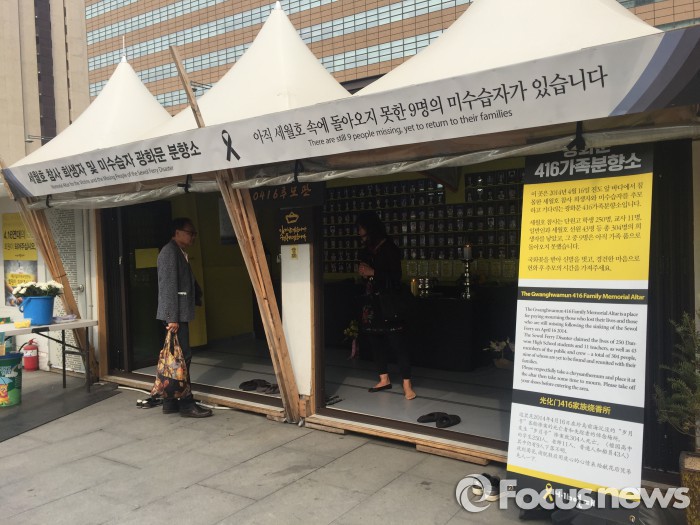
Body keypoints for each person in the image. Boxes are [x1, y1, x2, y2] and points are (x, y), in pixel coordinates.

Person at [356, 211, 416, 400]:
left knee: (398, 343)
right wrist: (364, 273)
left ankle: (407, 383)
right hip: (372, 302)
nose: (359, 232)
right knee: (375, 340)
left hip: (389, 302)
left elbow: (396, 278)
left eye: (361, 228)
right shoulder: (366, 250)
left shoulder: (389, 248)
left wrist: (373, 272)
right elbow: (366, 275)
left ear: (370, 228)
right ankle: (384, 378)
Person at [156, 217, 212, 418]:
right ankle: (187, 403)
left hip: (177, 314)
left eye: (194, 233)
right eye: (190, 232)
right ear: (177, 232)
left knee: (175, 359)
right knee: (182, 359)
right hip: (175, 316)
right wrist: (172, 318)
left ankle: (170, 402)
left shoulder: (178, 252)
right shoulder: (169, 252)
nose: (193, 236)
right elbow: (168, 287)